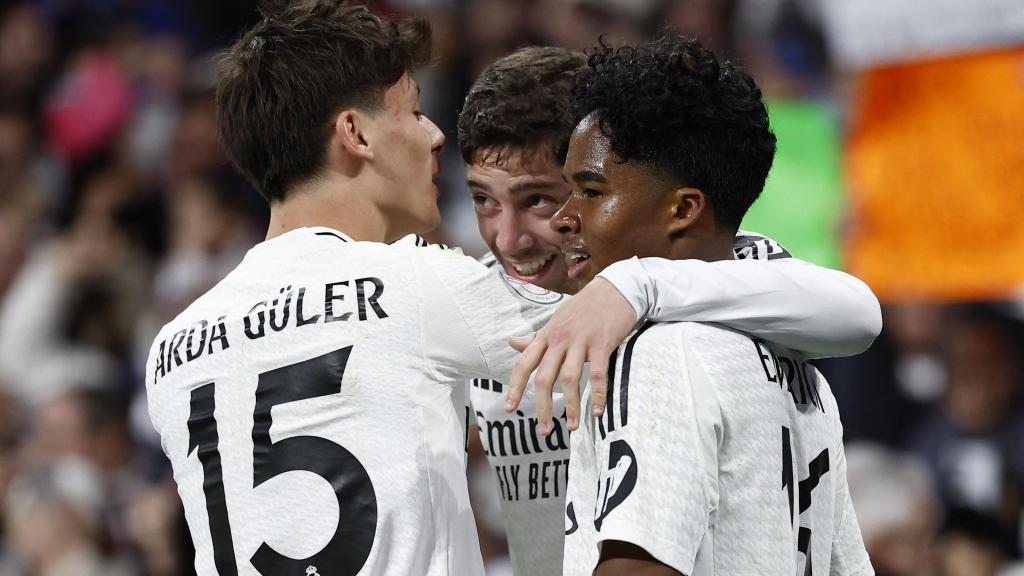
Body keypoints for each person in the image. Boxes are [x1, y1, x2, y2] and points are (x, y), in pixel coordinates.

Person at [144, 4, 560, 574]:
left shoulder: (170, 351)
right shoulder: (417, 284)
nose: (436, 135)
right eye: (414, 112)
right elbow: (612, 333)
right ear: (356, 133)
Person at [457, 47, 881, 574]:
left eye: (545, 198)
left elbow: (860, 313)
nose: (510, 238)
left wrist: (634, 283)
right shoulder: (466, 304)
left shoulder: (682, 325)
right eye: (483, 201)